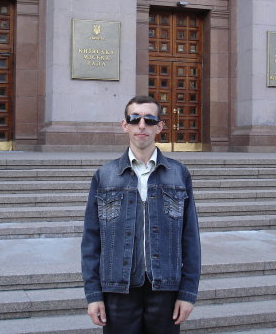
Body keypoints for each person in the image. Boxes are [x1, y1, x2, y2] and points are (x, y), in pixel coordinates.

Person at [81, 95, 201, 333]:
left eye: (150, 119)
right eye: (135, 119)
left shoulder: (178, 173)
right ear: (125, 125)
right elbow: (91, 241)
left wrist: (188, 293)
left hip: (165, 289)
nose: (142, 125)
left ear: (160, 126)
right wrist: (93, 295)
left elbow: (190, 238)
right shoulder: (105, 175)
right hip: (118, 289)